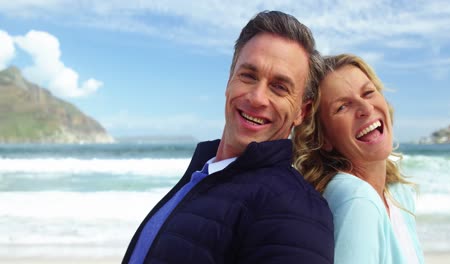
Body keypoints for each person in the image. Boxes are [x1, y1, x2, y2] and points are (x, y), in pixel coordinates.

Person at [122, 11, 334, 264]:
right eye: (248, 76)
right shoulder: (204, 173)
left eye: (279, 87)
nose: (257, 98)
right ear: (229, 80)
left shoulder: (296, 210)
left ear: (302, 111)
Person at [293, 54, 425, 263]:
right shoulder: (357, 199)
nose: (366, 108)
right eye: (342, 106)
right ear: (323, 137)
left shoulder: (398, 194)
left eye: (369, 92)